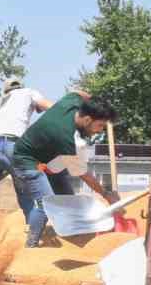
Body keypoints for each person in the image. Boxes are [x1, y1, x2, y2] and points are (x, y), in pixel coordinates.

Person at [11, 93, 119, 247]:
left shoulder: (72, 103)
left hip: (50, 159)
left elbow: (78, 93)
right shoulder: (64, 136)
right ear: (87, 120)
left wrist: (97, 100)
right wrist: (107, 194)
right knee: (45, 202)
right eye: (100, 125)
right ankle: (31, 245)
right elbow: (82, 173)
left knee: (67, 198)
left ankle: (71, 235)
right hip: (27, 160)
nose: (100, 131)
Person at [0, 77, 53, 217]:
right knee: (26, 196)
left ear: (6, 90)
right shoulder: (28, 92)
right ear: (20, 87)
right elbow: (49, 106)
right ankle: (33, 233)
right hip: (14, 146)